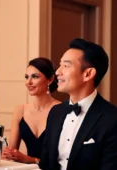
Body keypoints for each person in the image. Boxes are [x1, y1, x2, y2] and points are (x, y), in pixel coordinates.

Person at [39, 38, 117, 170]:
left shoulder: (112, 118)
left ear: (88, 74)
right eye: (60, 64)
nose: (58, 72)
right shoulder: (55, 112)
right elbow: (46, 164)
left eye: (66, 65)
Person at [2, 58, 60, 163]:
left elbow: (64, 159)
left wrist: (30, 160)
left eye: (35, 76)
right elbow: (11, 154)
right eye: (26, 77)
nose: (28, 82)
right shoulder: (20, 110)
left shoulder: (62, 110)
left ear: (50, 79)